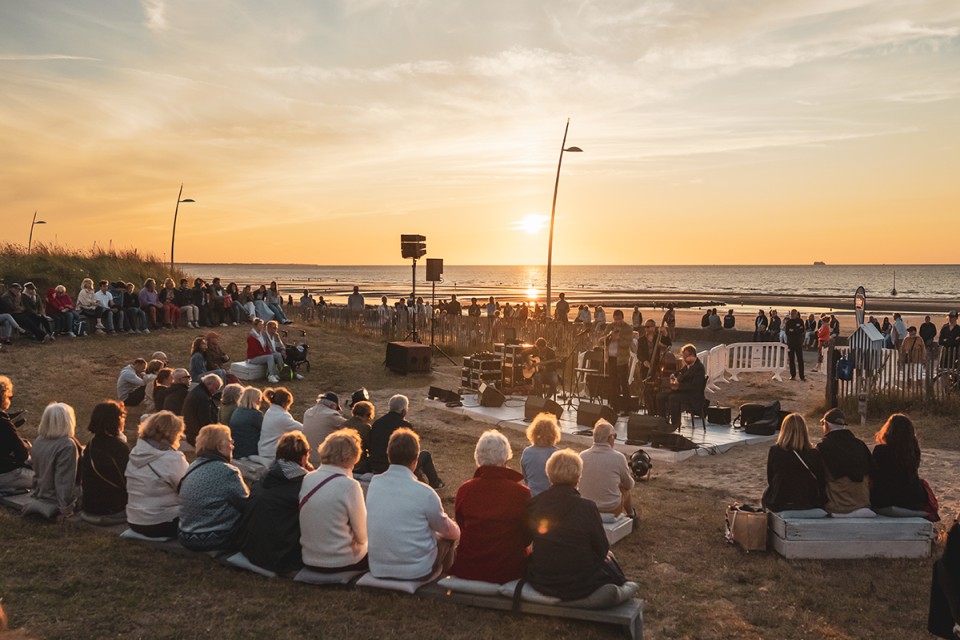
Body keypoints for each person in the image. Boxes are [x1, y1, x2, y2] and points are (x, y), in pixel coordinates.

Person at [526, 449, 630, 601]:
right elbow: (601, 549)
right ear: (578, 478)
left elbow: (526, 541)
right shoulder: (587, 507)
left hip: (543, 578)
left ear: (549, 475)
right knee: (610, 561)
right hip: (579, 582)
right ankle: (626, 587)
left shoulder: (534, 504)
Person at [366, 428, 460, 580]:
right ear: (416, 459)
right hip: (416, 571)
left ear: (388, 455)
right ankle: (444, 578)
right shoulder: (425, 493)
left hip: (378, 567)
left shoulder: (374, 484)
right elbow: (451, 532)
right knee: (449, 537)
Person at [449, 430, 531, 583]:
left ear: (478, 458)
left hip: (470, 568)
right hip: (508, 570)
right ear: (505, 458)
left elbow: (462, 525)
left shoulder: (465, 490)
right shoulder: (522, 493)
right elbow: (527, 535)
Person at [235, 431, 313, 575]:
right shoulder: (302, 486)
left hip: (251, 549)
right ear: (303, 457)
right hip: (281, 556)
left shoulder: (265, 478)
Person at [299, 429, 369, 573]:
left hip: (309, 558)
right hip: (341, 561)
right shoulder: (350, 486)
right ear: (353, 455)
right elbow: (362, 536)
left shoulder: (308, 478)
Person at [178, 424, 249, 551]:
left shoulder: (193, 465)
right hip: (214, 538)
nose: (233, 446)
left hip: (185, 535)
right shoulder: (227, 471)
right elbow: (246, 505)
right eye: (230, 441)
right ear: (219, 446)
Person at [368, 394, 443, 489]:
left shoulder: (377, 423)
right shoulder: (405, 426)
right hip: (396, 467)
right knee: (425, 455)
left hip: (376, 466)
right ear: (403, 411)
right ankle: (435, 482)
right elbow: (411, 451)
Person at [871, 414, 935, 518]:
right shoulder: (914, 451)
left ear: (888, 431)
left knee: (875, 504)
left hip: (888, 500)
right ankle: (919, 513)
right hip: (914, 498)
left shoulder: (880, 450)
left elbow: (874, 475)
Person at [760, 414, 826, 513]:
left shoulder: (775, 451)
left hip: (781, 503)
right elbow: (821, 480)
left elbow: (771, 479)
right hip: (808, 503)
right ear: (804, 431)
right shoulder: (814, 453)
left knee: (766, 494)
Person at [816, 409, 874, 517]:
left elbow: (818, 479)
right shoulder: (861, 445)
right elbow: (872, 474)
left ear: (826, 425)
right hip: (863, 505)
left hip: (837, 507)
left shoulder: (823, 448)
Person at [29, 403, 81, 522]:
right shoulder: (67, 445)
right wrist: (65, 509)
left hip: (40, 493)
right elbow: (64, 481)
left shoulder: (38, 441)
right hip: (55, 498)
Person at [79, 400, 129, 523]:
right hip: (112, 509)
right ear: (116, 421)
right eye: (122, 417)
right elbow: (128, 481)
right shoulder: (119, 448)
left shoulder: (91, 444)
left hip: (89, 506)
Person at [579, 420, 636, 518]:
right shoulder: (618, 457)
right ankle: (631, 514)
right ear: (610, 438)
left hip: (585, 506)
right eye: (615, 436)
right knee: (624, 489)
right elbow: (629, 484)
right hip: (610, 508)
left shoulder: (582, 456)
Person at [657, 344, 706, 430]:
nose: (684, 358)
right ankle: (662, 420)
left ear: (692, 356)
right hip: (682, 392)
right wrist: (673, 376)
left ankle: (675, 423)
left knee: (673, 398)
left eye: (685, 356)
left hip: (693, 396)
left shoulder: (699, 368)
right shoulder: (687, 366)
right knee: (660, 396)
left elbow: (694, 387)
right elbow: (679, 372)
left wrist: (679, 386)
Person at [0, 376, 33, 493]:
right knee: (44, 479)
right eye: (9, 397)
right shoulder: (3, 422)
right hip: (4, 474)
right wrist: (26, 445)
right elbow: (22, 454)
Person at [521, 412, 562, 497]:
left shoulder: (527, 452)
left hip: (532, 496)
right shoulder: (557, 455)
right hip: (551, 497)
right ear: (554, 435)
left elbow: (525, 477)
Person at [636, 318, 672, 413]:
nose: (646, 329)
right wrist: (644, 361)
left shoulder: (658, 338)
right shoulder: (641, 340)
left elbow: (669, 344)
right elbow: (639, 354)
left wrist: (665, 333)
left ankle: (657, 410)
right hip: (646, 369)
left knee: (656, 391)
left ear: (654, 327)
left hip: (657, 368)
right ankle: (650, 411)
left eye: (649, 327)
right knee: (647, 390)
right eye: (645, 327)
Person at [302, 392, 346, 468]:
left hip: (307, 459)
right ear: (332, 405)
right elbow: (352, 425)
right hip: (323, 461)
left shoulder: (307, 412)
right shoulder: (331, 415)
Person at [258, 387, 302, 462]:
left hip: (263, 450)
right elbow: (303, 429)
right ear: (285, 403)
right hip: (272, 453)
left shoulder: (270, 411)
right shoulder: (282, 416)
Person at [603, 310, 633, 415]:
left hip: (622, 360)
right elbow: (602, 341)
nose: (617, 321)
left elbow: (628, 344)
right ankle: (615, 408)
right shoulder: (610, 327)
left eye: (619, 319)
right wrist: (610, 336)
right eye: (615, 319)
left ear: (622, 318)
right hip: (611, 359)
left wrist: (619, 338)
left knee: (623, 384)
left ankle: (627, 409)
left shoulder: (627, 328)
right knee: (613, 384)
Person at [182, 373, 221, 447]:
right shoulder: (203, 397)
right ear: (209, 384)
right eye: (216, 388)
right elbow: (205, 420)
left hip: (191, 430)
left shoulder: (197, 391)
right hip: (197, 434)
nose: (216, 392)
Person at [230, 387, 265, 460]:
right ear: (254, 399)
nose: (260, 401)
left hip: (236, 450)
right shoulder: (256, 414)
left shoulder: (237, 411)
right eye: (259, 398)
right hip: (249, 451)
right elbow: (265, 430)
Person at [247, 317, 283, 384]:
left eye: (262, 325)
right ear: (255, 326)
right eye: (260, 325)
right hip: (253, 358)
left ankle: (282, 372)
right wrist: (267, 353)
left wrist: (268, 352)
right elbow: (255, 351)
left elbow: (266, 346)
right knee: (269, 357)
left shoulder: (262, 335)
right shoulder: (251, 337)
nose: (262, 327)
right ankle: (271, 375)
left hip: (262, 355)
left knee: (278, 355)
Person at [342, 400, 374, 475]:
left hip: (343, 463)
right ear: (368, 414)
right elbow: (370, 446)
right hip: (359, 465)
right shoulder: (365, 427)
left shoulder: (344, 424)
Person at [784, 309, 806, 381]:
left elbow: (801, 330)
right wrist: (795, 330)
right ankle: (793, 375)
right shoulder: (788, 322)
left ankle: (802, 376)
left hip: (798, 343)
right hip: (790, 343)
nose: (792, 315)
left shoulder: (800, 321)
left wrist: (793, 330)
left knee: (800, 359)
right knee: (791, 359)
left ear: (797, 314)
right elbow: (787, 332)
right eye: (791, 314)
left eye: (794, 314)